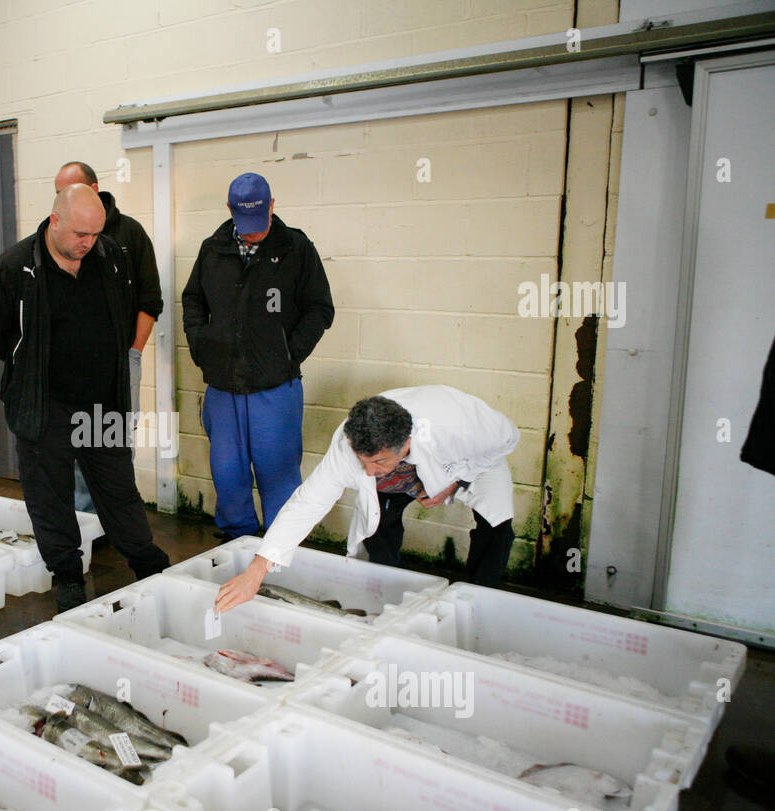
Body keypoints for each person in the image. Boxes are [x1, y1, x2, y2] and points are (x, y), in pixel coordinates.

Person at [0, 184, 170, 611]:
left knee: (118, 490)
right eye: (81, 233)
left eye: (95, 234)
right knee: (50, 495)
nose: (88, 242)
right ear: (55, 220)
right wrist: (32, 364)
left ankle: (148, 564)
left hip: (103, 401)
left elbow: (130, 311)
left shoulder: (111, 258)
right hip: (44, 405)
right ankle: (66, 576)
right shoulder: (14, 266)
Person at [214, 386, 520, 612]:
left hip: (474, 463)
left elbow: (510, 438)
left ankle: (478, 605)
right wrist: (256, 570)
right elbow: (307, 503)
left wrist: (456, 481)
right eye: (363, 461)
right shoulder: (348, 444)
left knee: (497, 529)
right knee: (379, 531)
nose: (369, 472)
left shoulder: (461, 425)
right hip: (404, 473)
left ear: (406, 443)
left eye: (378, 462)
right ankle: (390, 606)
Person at [182, 172, 334, 541]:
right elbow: (193, 301)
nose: (253, 233)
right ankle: (238, 547)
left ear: (272, 206)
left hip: (274, 387)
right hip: (223, 385)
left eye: (260, 222)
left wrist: (288, 355)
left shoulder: (296, 248)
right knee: (227, 473)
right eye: (245, 224)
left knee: (278, 475)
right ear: (231, 211)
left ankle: (282, 553)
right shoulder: (213, 248)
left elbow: (320, 309)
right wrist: (203, 346)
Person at [53, 161, 164, 514]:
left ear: (95, 190)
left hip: (119, 363)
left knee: (114, 441)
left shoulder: (129, 234)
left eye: (70, 191)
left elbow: (151, 299)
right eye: (58, 194)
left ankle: (115, 521)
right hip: (71, 366)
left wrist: (132, 353)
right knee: (75, 442)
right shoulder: (56, 236)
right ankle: (84, 525)